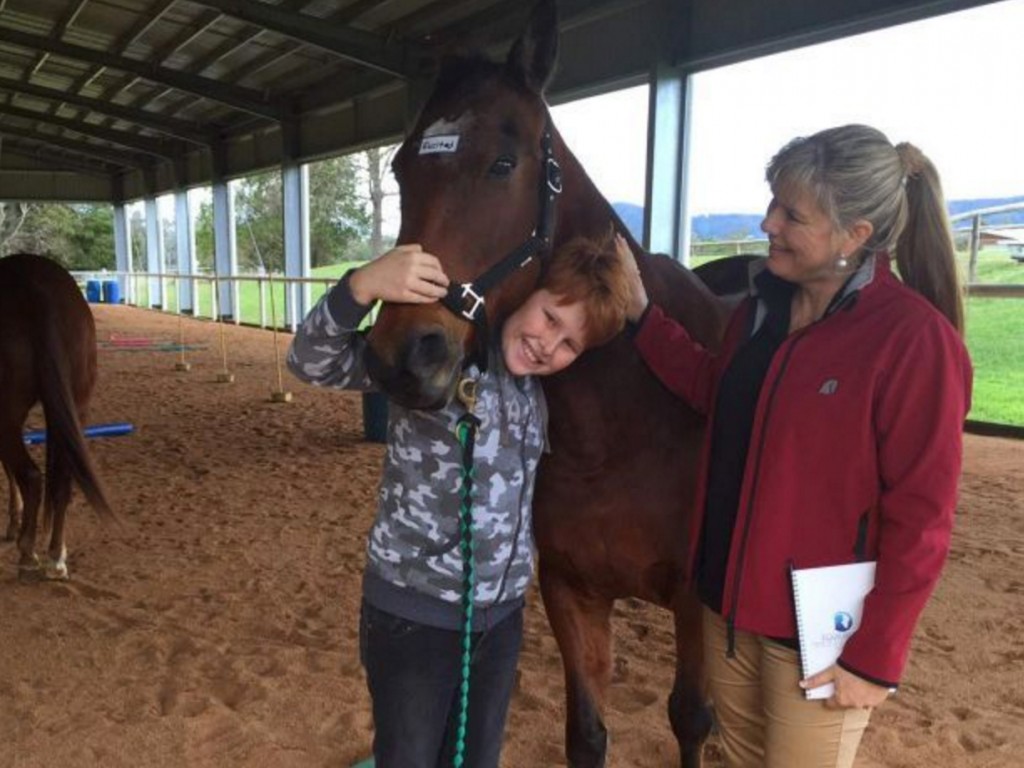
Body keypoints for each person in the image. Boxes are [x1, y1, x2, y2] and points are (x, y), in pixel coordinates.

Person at [619, 124, 973, 768]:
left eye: (792, 214)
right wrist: (644, 317)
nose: (768, 222)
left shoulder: (913, 341)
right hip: (726, 609)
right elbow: (714, 391)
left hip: (822, 639)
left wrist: (876, 658)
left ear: (855, 235)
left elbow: (922, 517)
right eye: (772, 203)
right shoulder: (761, 311)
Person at [287, 234, 630, 768]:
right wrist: (360, 287)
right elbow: (310, 361)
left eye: (570, 346)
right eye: (550, 318)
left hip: (499, 621)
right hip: (413, 615)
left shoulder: (536, 393)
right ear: (526, 294)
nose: (548, 345)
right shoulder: (440, 354)